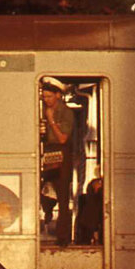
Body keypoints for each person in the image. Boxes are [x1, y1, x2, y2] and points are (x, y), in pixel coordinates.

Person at [39, 76, 83, 246]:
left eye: (49, 96)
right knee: (42, 188)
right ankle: (47, 209)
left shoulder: (66, 113)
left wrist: (51, 120)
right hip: (47, 150)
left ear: (58, 95)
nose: (47, 100)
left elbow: (63, 138)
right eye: (44, 97)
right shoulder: (41, 110)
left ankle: (62, 236)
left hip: (61, 153)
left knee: (63, 195)